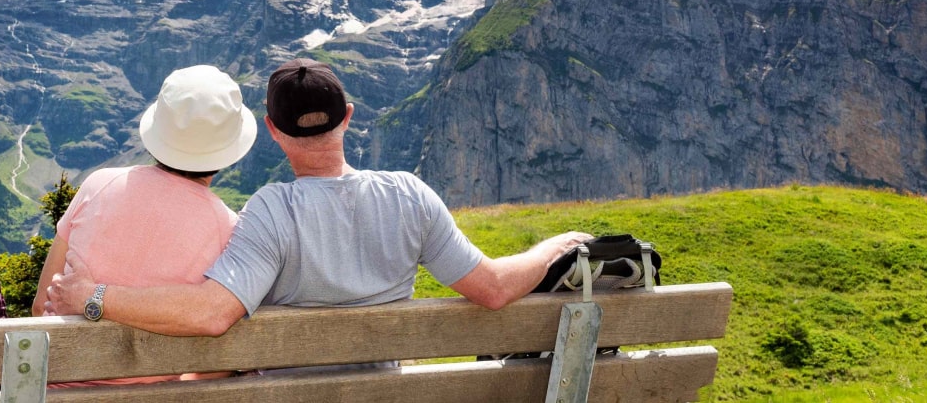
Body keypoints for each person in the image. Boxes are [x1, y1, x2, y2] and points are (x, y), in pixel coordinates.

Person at [46, 58, 591, 340]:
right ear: (348, 117)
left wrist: (93, 296)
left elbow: (213, 313)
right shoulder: (410, 195)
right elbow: (493, 288)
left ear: (272, 131)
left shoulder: (268, 212)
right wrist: (558, 246)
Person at [34, 64, 257, 384]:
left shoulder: (99, 185)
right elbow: (213, 366)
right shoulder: (228, 229)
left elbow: (41, 305)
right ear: (229, 151)